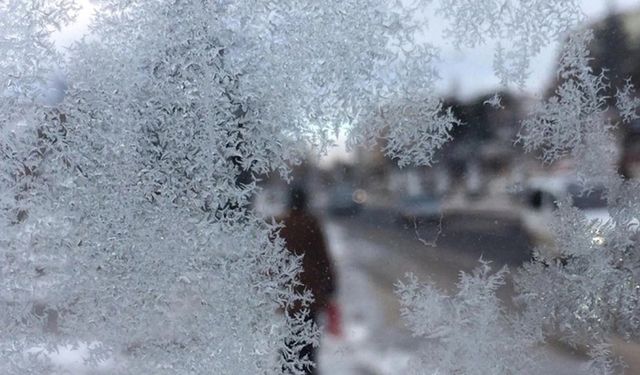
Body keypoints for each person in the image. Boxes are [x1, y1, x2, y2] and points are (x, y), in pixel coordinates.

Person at [278, 185, 337, 375]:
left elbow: (273, 259)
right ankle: (305, 370)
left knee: (291, 338)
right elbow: (323, 258)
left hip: (289, 293)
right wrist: (331, 285)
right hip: (310, 294)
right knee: (309, 342)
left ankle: (289, 369)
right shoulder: (311, 224)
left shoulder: (282, 225)